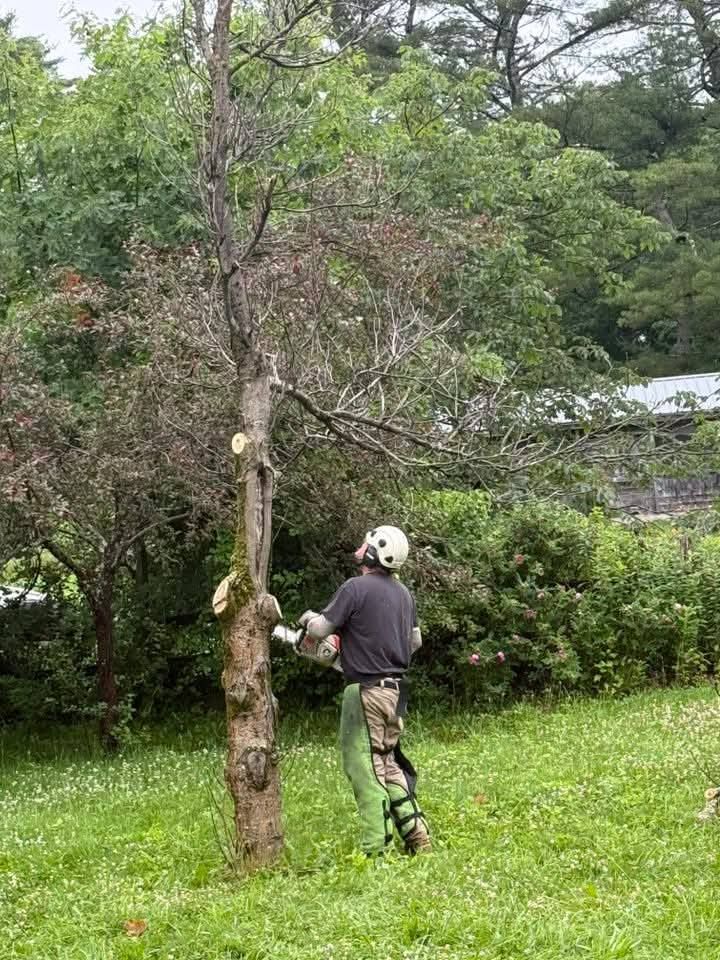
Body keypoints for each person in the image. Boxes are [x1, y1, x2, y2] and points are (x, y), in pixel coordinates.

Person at [300, 525, 431, 857]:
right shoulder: (405, 594)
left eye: (366, 544)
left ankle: (377, 848)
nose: (360, 548)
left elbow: (320, 629)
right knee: (387, 762)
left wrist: (309, 620)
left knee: (364, 766)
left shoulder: (355, 588)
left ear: (375, 551)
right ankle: (417, 834)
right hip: (397, 691)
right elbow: (415, 641)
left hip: (367, 692)